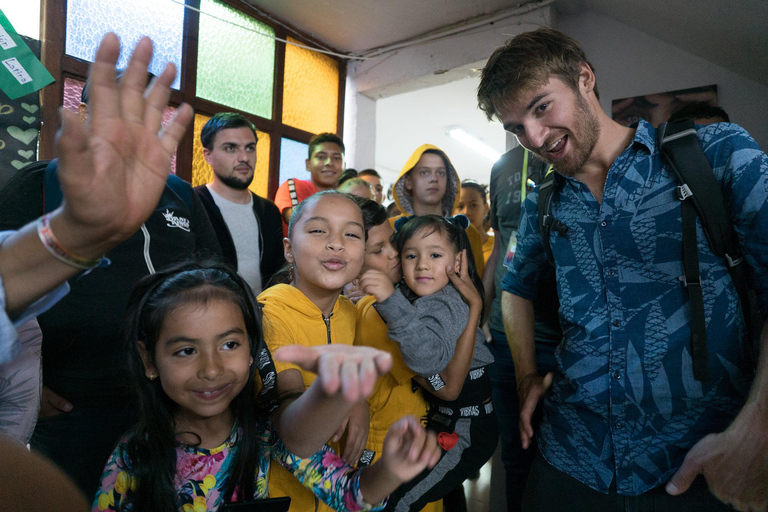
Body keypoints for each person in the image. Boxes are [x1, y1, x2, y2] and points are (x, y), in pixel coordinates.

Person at [477, 27, 768, 511]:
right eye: (514, 127)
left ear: (584, 79)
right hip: (572, 457)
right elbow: (515, 289)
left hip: (700, 459)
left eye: (542, 107)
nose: (533, 137)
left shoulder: (717, 153)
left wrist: (758, 428)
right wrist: (528, 376)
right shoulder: (544, 200)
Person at [0, 43, 221, 497]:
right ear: (85, 107)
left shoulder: (182, 194)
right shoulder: (37, 182)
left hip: (167, 403)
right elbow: (6, 287)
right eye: (114, 100)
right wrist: (25, 391)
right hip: (72, 406)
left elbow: (213, 281)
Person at [92, 263, 441, 512]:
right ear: (149, 360)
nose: (211, 369)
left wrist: (390, 471)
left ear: (252, 350)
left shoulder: (267, 435)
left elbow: (349, 494)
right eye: (186, 351)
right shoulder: (133, 457)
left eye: (229, 345)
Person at [353, 199, 485, 512]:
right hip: (421, 430)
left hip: (454, 425)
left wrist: (389, 299)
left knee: (400, 501)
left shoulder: (435, 302)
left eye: (392, 244)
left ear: (456, 261)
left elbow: (440, 377)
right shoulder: (393, 304)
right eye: (409, 254)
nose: (418, 263)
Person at [258, 191, 372, 512]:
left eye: (351, 234)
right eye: (319, 230)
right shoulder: (270, 313)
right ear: (289, 249)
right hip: (280, 497)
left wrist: (359, 401)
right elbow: (294, 433)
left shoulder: (351, 311)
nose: (336, 243)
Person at [482, 146, 560, 512]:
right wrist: (483, 308)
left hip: (566, 339)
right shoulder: (504, 164)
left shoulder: (578, 154)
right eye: (513, 124)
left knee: (566, 463)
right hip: (505, 334)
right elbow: (499, 243)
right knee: (515, 458)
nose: (528, 131)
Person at [194, 113, 285, 294]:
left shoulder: (268, 211)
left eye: (250, 148)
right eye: (231, 148)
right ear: (208, 155)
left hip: (263, 314)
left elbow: (277, 271)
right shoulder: (193, 204)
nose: (244, 157)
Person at [390, 145, 485, 277]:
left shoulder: (466, 231)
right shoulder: (390, 228)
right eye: (424, 172)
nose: (434, 179)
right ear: (408, 181)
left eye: (440, 173)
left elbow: (476, 282)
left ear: (449, 181)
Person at [273, 133, 345, 236]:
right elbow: (300, 224)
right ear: (308, 164)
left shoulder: (346, 198)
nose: (329, 163)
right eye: (321, 157)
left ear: (344, 165)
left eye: (336, 158)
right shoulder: (294, 186)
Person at [454, 181, 493, 264]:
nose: (466, 212)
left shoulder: (498, 247)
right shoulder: (449, 248)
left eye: (473, 205)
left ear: (485, 208)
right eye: (460, 207)